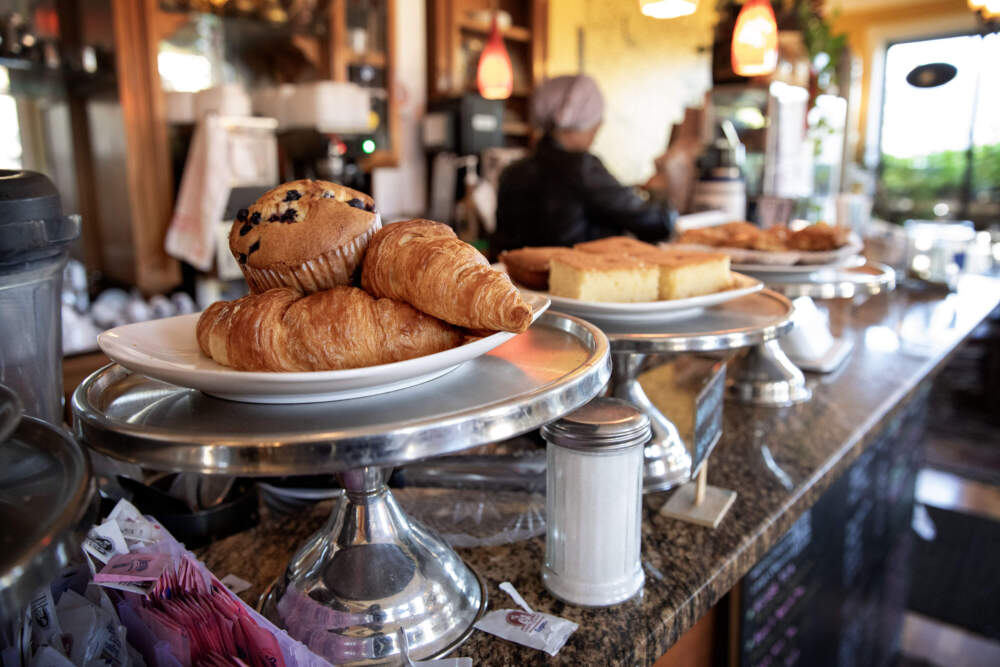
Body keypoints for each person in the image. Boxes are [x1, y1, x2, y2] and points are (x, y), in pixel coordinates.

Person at [491, 75, 676, 254]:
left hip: (516, 281)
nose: (599, 126)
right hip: (573, 279)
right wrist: (658, 194)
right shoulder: (582, 168)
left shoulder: (512, 171)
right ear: (580, 122)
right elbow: (656, 223)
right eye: (595, 119)